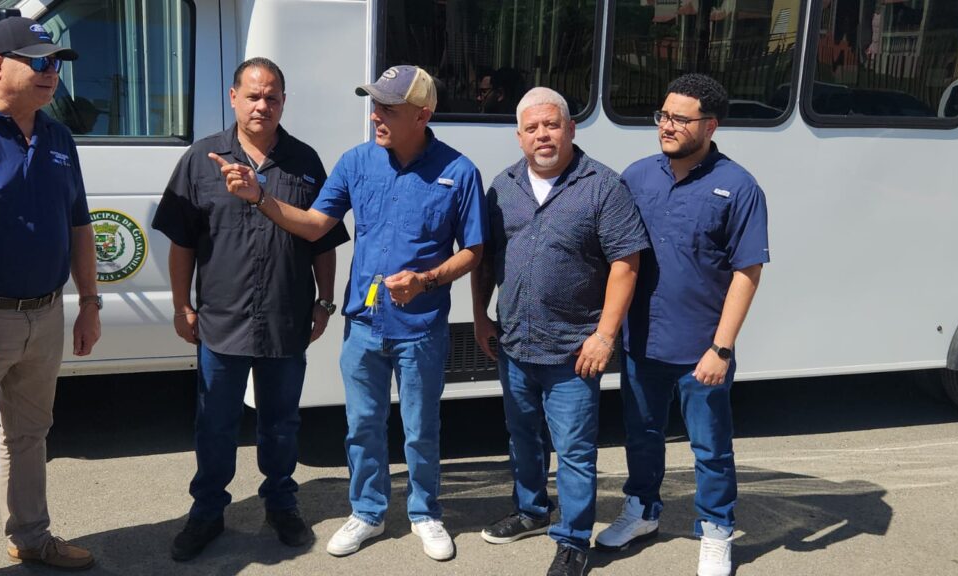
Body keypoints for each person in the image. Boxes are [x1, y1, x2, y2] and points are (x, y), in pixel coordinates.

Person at [216, 65, 487, 561]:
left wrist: (426, 280)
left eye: (388, 108)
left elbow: (473, 251)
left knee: (421, 428)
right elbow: (315, 225)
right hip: (363, 324)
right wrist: (260, 197)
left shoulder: (459, 171)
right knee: (362, 426)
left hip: (421, 328)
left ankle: (425, 513)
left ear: (422, 115)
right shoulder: (356, 162)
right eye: (374, 104)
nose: (375, 115)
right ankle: (367, 511)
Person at [151, 57, 349, 561]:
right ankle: (207, 512)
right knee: (215, 424)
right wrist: (182, 306)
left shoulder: (304, 161)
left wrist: (324, 301)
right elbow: (181, 244)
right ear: (234, 97)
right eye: (254, 96)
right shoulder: (201, 160)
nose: (263, 105)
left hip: (286, 317)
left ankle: (281, 503)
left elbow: (323, 240)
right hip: (222, 321)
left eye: (272, 97)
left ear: (284, 102)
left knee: (281, 424)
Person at [595, 74, 769, 576]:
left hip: (701, 350)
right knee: (641, 435)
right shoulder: (636, 177)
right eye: (663, 115)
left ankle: (716, 531)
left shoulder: (738, 187)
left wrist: (722, 348)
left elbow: (747, 273)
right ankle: (642, 511)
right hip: (642, 341)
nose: (666, 126)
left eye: (679, 119)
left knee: (710, 448)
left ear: (710, 126)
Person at [471, 87, 649, 576]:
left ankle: (572, 540)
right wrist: (481, 316)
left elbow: (626, 264)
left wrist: (605, 336)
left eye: (551, 125)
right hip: (514, 344)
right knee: (522, 437)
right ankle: (531, 510)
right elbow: (485, 260)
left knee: (574, 450)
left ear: (570, 128)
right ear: (519, 136)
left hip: (574, 351)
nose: (542, 135)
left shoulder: (603, 186)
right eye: (532, 128)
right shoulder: (503, 186)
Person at [0, 16, 100, 574]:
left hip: (46, 313)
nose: (52, 73)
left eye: (56, 63)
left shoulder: (57, 136)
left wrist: (88, 305)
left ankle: (31, 537)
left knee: (29, 434)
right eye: (39, 62)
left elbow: (79, 225)